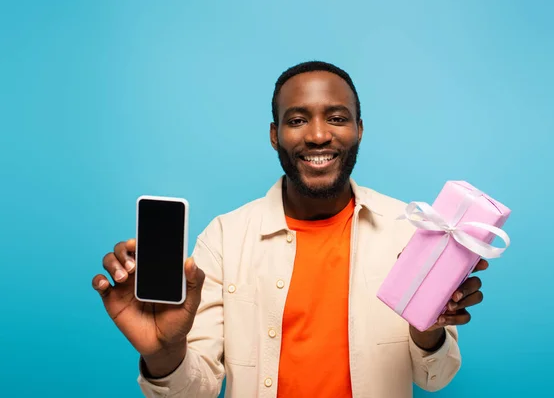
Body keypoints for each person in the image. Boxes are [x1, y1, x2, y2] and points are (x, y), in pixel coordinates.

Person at [92, 61, 488, 398]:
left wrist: (428, 330)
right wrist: (163, 351)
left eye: (337, 118)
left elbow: (435, 377)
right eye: (297, 120)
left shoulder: (409, 231)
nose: (318, 134)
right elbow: (197, 390)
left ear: (360, 129)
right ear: (274, 135)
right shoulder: (225, 239)